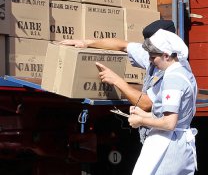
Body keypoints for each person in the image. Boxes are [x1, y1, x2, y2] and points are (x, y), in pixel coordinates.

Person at [60, 19, 189, 143]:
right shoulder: (156, 56)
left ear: (165, 52)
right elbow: (122, 45)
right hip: (154, 135)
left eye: (152, 55)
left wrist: (117, 81)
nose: (148, 58)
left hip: (165, 138)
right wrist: (87, 43)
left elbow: (147, 104)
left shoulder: (172, 73)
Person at [128, 29, 198, 175]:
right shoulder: (185, 72)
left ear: (166, 55)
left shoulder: (172, 79)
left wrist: (141, 120)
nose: (150, 61)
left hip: (167, 145)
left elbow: (169, 123)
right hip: (181, 143)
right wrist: (145, 114)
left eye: (153, 57)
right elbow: (177, 117)